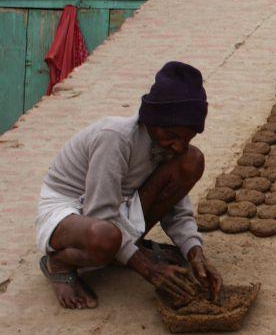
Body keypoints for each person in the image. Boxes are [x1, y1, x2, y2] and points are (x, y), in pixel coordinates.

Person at [36, 61, 222, 309]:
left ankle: (120, 251)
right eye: (174, 136)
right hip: (68, 211)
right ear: (155, 121)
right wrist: (150, 269)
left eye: (186, 138)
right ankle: (60, 263)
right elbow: (99, 213)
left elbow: (176, 210)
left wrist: (195, 251)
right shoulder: (115, 138)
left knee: (191, 160)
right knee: (104, 237)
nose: (178, 146)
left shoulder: (166, 145)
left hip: (116, 205)